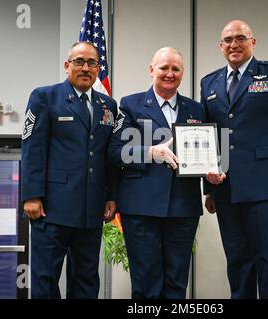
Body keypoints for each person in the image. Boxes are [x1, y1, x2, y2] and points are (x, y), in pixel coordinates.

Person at [200, 20, 268, 299]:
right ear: (221, 46)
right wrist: (209, 190)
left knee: (267, 263)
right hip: (227, 190)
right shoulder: (209, 82)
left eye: (240, 38)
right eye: (228, 40)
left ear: (252, 42)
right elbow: (209, 138)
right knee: (237, 263)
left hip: (265, 190)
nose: (234, 44)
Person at [21, 41, 118, 299]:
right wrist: (31, 195)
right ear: (67, 66)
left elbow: (108, 156)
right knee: (45, 279)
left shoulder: (108, 105)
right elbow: (32, 148)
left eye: (92, 63)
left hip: (90, 210)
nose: (85, 68)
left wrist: (110, 195)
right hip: (51, 209)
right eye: (79, 62)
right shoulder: (44, 97)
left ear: (99, 68)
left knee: (86, 280)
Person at [108, 47, 205, 299]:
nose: (169, 74)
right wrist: (151, 152)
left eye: (175, 69)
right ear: (152, 70)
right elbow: (115, 151)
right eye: (164, 68)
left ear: (183, 73)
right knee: (146, 283)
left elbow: (208, 151)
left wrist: (212, 175)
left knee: (177, 283)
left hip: (183, 207)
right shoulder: (130, 104)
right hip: (141, 208)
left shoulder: (196, 109)